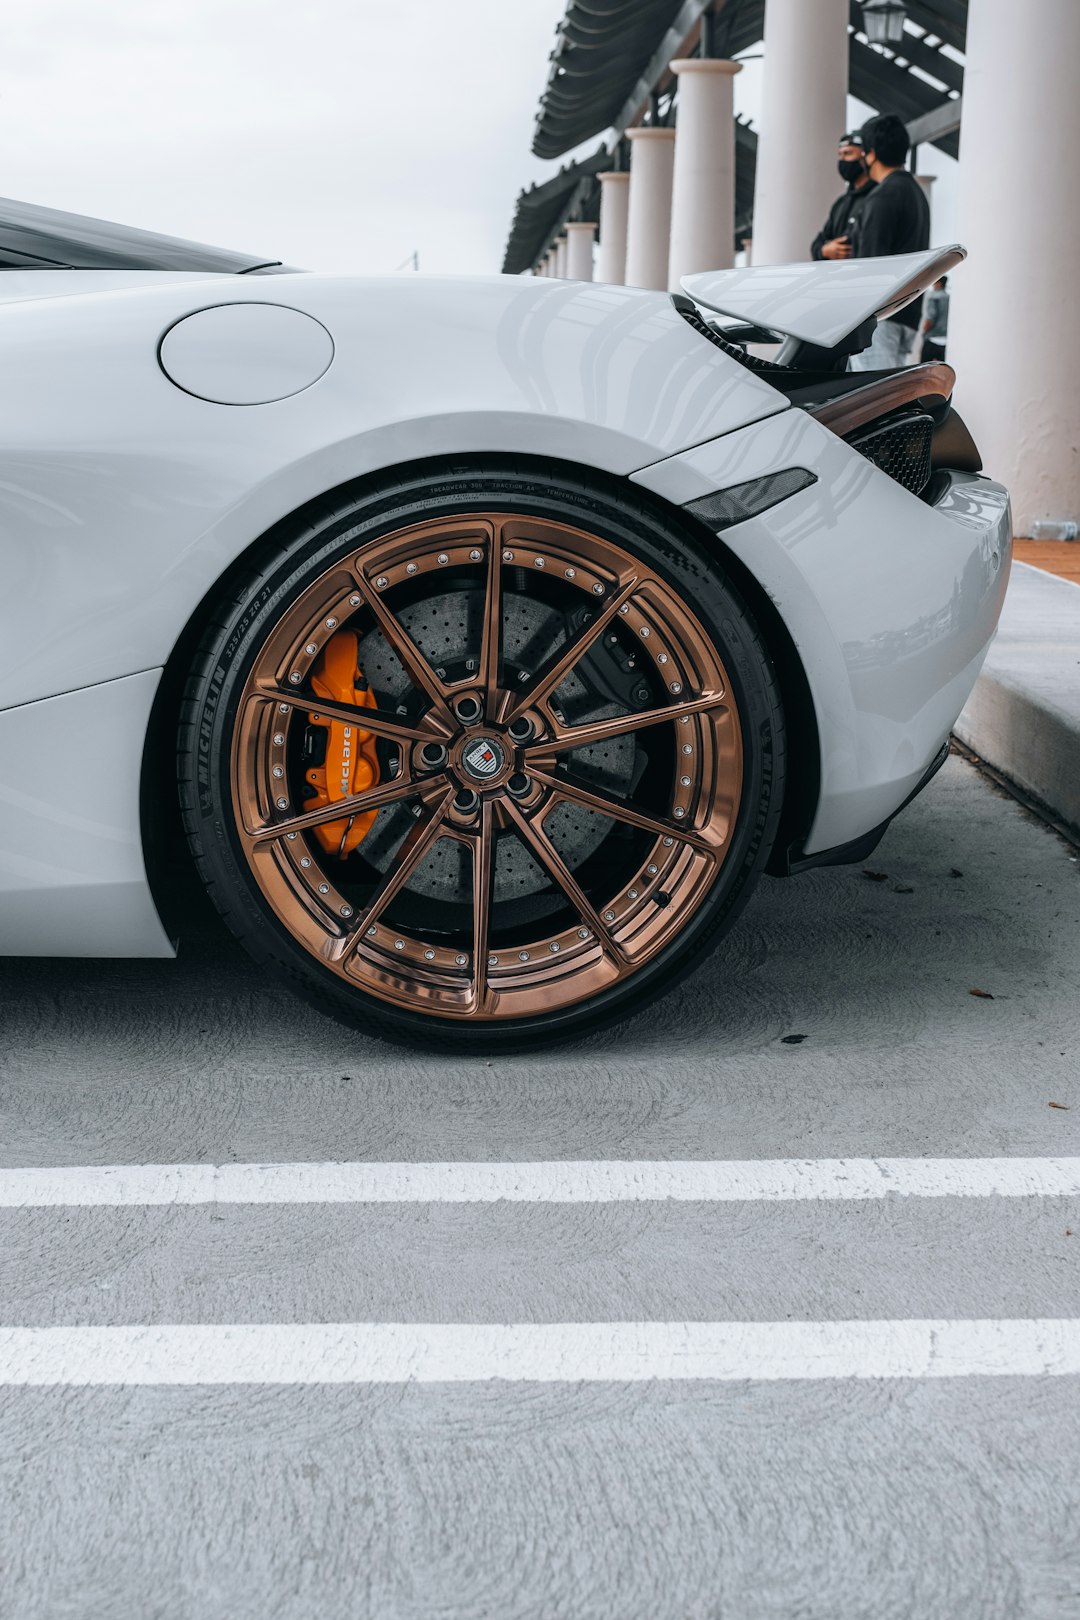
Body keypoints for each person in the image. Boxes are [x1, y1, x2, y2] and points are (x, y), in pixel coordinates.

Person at [848, 112, 930, 371]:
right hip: (907, 315)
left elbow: (871, 267)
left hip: (880, 320)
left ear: (871, 154)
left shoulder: (882, 196)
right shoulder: (915, 193)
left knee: (874, 406)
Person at [810, 132, 876, 262]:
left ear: (865, 156)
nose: (843, 159)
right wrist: (825, 250)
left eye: (848, 153)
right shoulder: (841, 203)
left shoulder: (876, 197)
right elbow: (818, 242)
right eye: (840, 155)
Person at [916, 275, 949, 364]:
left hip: (932, 340)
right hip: (944, 341)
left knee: (923, 371)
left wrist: (924, 331)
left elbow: (930, 317)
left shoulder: (934, 297)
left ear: (938, 283)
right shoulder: (948, 298)